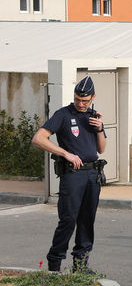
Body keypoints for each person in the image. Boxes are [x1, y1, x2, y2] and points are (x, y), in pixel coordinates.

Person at [31, 76, 107, 272]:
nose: (81, 104)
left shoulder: (93, 117)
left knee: (87, 220)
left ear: (93, 97)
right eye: (77, 100)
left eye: (85, 101)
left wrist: (100, 128)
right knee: (68, 220)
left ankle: (80, 265)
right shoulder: (63, 114)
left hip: (92, 174)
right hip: (73, 175)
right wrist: (65, 153)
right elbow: (38, 138)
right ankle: (54, 264)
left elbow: (101, 149)